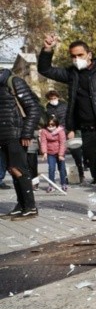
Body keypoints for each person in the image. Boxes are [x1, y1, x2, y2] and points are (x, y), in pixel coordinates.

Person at [38, 36, 96, 219]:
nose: (76, 59)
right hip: (87, 129)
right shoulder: (72, 74)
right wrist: (47, 49)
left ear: (89, 54)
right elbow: (45, 69)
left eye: (80, 55)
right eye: (73, 56)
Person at [0, 67, 41, 219]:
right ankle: (21, 205)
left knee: (19, 169)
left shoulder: (13, 81)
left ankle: (30, 207)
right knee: (12, 170)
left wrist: (27, 132)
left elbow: (33, 108)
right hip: (2, 136)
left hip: (16, 134)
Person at [45, 90, 85, 184]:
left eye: (54, 98)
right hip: (56, 134)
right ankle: (64, 177)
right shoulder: (48, 109)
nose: (53, 100)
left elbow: (72, 118)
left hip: (67, 131)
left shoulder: (65, 106)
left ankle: (81, 174)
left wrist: (72, 130)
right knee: (60, 156)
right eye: (51, 99)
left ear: (58, 97)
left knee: (77, 154)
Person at [40, 117, 67, 192]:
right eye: (49, 125)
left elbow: (62, 143)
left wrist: (61, 154)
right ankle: (51, 184)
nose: (51, 127)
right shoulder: (44, 131)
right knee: (51, 169)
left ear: (56, 125)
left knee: (62, 169)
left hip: (59, 152)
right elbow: (43, 142)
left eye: (53, 125)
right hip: (50, 153)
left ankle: (63, 183)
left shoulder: (60, 131)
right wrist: (44, 153)